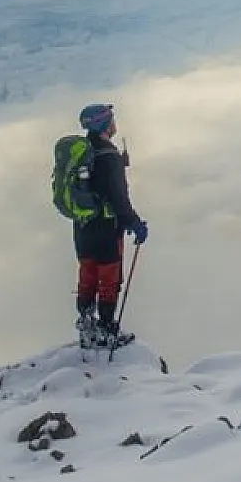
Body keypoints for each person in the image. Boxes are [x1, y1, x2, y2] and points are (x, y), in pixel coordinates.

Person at [72, 102, 148, 349]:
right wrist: (134, 223)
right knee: (109, 279)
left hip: (82, 228)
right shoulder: (109, 156)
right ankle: (106, 328)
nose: (115, 124)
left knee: (88, 275)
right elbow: (118, 197)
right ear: (103, 123)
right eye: (111, 119)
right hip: (106, 228)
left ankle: (86, 324)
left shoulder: (81, 153)